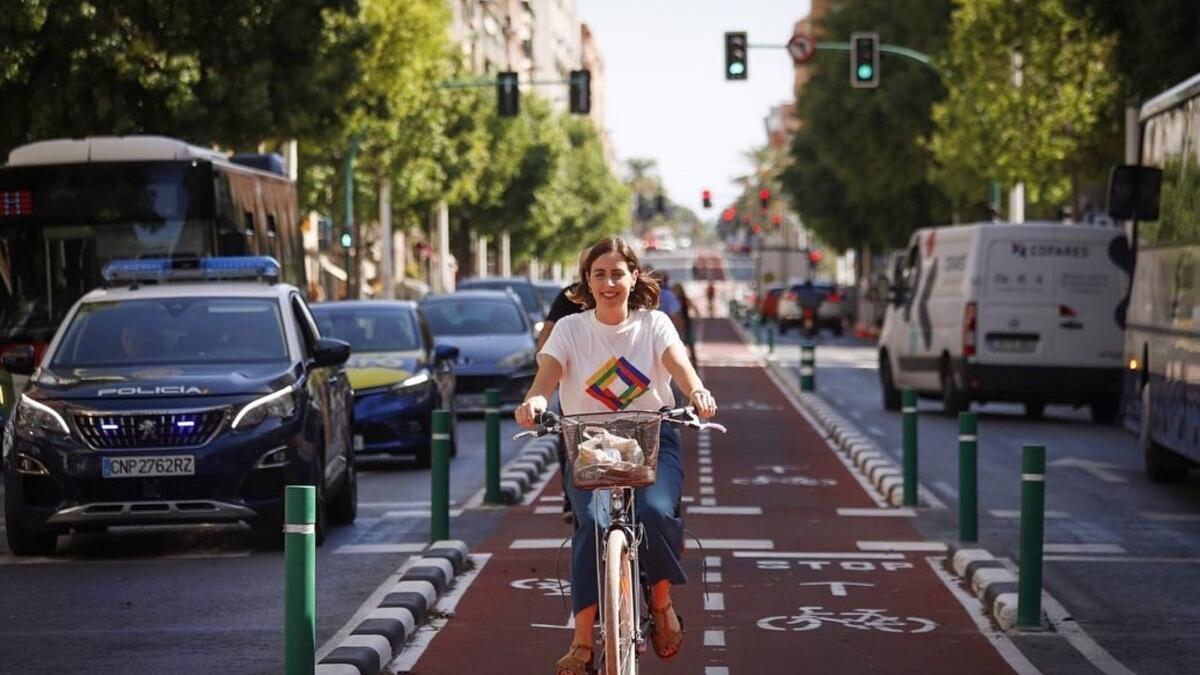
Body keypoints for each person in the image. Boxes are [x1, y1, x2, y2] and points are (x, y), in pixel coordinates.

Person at [516, 237, 718, 675]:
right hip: (587, 443)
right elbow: (544, 381)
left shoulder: (655, 324)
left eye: (617, 273)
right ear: (587, 281)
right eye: (599, 274)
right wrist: (533, 403)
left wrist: (696, 390)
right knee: (590, 522)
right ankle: (582, 643)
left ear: (633, 277)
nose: (609, 282)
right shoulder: (571, 329)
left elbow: (680, 365)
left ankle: (661, 605)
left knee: (657, 510)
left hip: (652, 436)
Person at [672, 281, 699, 364]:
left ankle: (694, 365)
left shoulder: (684, 300)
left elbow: (695, 309)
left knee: (691, 347)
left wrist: (696, 318)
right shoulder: (673, 301)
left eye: (676, 290)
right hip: (676, 326)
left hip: (687, 325)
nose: (674, 292)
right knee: (678, 348)